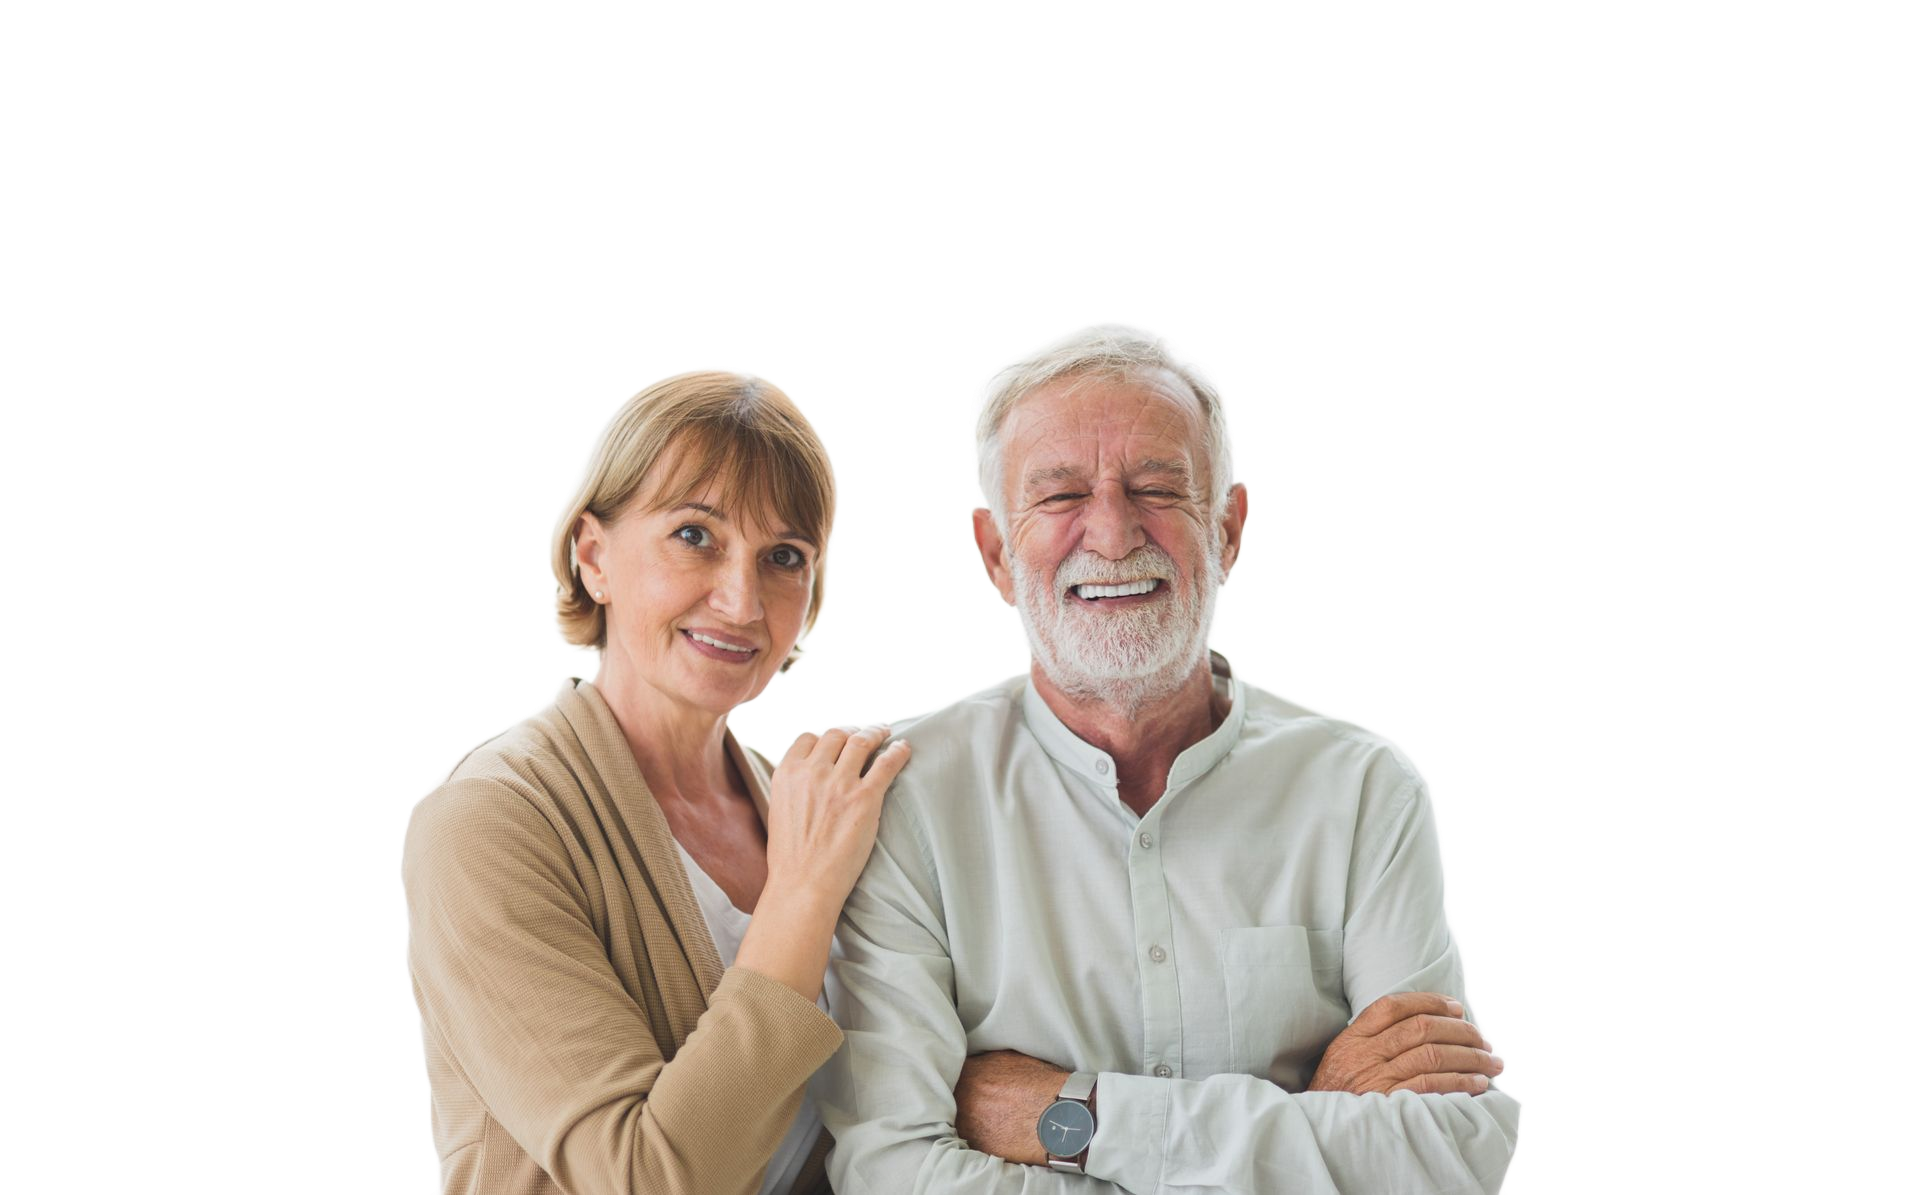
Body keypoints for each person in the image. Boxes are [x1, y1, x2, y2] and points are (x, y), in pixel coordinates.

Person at [812, 315, 1526, 1194]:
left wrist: (1068, 1115)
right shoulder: (902, 799)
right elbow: (891, 1172)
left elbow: (1453, 1151)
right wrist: (1309, 1112)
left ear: (1229, 526)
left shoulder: (1367, 787)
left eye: (1156, 486)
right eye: (1062, 495)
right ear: (994, 552)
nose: (1112, 535)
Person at [399, 361, 911, 1195]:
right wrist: (803, 895)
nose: (742, 600)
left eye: (783, 555)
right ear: (593, 555)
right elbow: (641, 1180)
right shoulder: (488, 819)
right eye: (695, 535)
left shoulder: (807, 809)